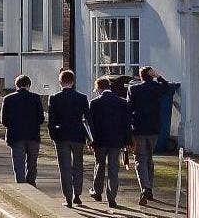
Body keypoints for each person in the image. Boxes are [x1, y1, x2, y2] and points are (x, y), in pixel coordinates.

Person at [46, 69, 91, 207]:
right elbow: (88, 119)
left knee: (64, 167)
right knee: (78, 165)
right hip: (78, 135)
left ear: (60, 82)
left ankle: (68, 198)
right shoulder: (82, 98)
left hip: (62, 136)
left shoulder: (54, 98)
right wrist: (89, 137)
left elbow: (51, 121)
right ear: (73, 82)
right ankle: (78, 194)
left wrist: (53, 135)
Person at [88, 75, 134, 209]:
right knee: (114, 169)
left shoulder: (95, 103)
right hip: (116, 141)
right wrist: (128, 141)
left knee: (99, 165)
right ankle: (111, 197)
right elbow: (126, 124)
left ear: (98, 88)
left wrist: (91, 141)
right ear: (109, 87)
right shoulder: (122, 102)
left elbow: (91, 124)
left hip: (100, 140)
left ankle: (97, 192)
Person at [128, 65, 169, 207]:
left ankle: (145, 187)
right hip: (153, 129)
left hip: (138, 128)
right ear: (151, 75)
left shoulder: (134, 89)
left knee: (140, 159)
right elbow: (168, 88)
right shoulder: (157, 88)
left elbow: (129, 108)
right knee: (149, 158)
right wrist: (159, 76)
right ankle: (148, 187)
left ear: (140, 76)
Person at [1, 75, 44, 184]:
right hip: (33, 136)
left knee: (18, 164)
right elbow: (41, 119)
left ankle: (21, 186)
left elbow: (4, 121)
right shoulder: (36, 98)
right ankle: (31, 183)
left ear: (16, 86)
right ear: (29, 85)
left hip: (15, 136)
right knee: (32, 163)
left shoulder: (8, 99)